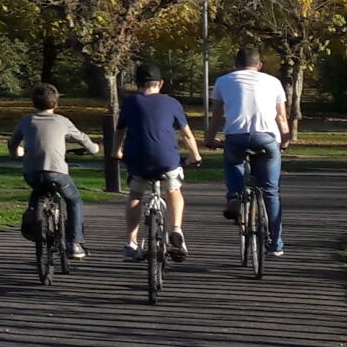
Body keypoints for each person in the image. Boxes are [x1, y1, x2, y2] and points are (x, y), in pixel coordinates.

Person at [211, 46, 292, 256]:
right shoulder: (274, 82)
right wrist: (284, 141)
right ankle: (276, 243)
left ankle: (235, 197)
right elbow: (281, 119)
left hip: (236, 137)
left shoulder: (223, 81)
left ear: (235, 65)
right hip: (266, 138)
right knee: (270, 191)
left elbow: (217, 116)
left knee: (233, 161)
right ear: (260, 65)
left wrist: (210, 139)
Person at [117, 62, 201, 262]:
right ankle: (177, 229)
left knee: (136, 194)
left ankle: (131, 242)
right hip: (167, 160)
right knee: (173, 190)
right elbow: (187, 135)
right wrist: (195, 155)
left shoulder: (130, 103)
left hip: (139, 161)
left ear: (137, 83)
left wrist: (116, 151)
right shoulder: (172, 103)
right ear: (160, 83)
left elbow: (120, 130)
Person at [8, 82, 100, 260]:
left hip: (32, 172)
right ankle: (75, 243)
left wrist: (16, 153)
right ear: (56, 105)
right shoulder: (62, 121)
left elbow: (13, 143)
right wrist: (94, 148)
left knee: (37, 192)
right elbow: (83, 139)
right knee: (74, 200)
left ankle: (35, 219)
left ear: (33, 103)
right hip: (57, 173)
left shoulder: (26, 121)